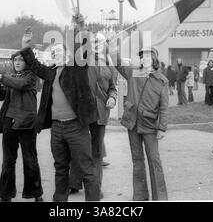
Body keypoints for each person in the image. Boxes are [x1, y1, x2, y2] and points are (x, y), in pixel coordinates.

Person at [18, 28, 100, 202]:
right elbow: (33, 64)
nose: (56, 54)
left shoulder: (76, 70)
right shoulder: (50, 73)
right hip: (57, 129)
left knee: (87, 169)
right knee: (60, 168)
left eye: (59, 51)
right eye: (53, 52)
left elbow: (83, 53)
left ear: (68, 54)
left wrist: (79, 27)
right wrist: (25, 46)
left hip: (77, 127)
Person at [0, 51, 44, 202]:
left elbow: (22, 84)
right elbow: (0, 96)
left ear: (27, 62)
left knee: (30, 160)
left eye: (21, 60)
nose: (17, 62)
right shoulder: (12, 77)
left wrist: (0, 77)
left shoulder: (32, 76)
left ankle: (37, 194)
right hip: (9, 123)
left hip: (27, 124)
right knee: (8, 161)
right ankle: (5, 196)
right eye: (15, 60)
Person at [116, 47, 169, 201]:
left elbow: (164, 107)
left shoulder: (162, 81)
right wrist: (110, 47)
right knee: (137, 160)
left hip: (150, 125)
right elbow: (118, 63)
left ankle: (160, 197)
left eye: (147, 56)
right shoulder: (132, 74)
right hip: (132, 123)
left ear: (154, 59)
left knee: (154, 160)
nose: (143, 59)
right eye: (141, 57)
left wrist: (162, 127)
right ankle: (140, 196)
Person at [69, 32, 117, 199]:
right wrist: (78, 28)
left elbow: (112, 87)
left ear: (105, 45)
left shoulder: (109, 64)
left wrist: (112, 97)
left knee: (96, 151)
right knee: (79, 147)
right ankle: (74, 183)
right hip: (83, 111)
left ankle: (95, 188)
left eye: (100, 41)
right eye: (94, 41)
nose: (97, 44)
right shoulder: (83, 59)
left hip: (101, 113)